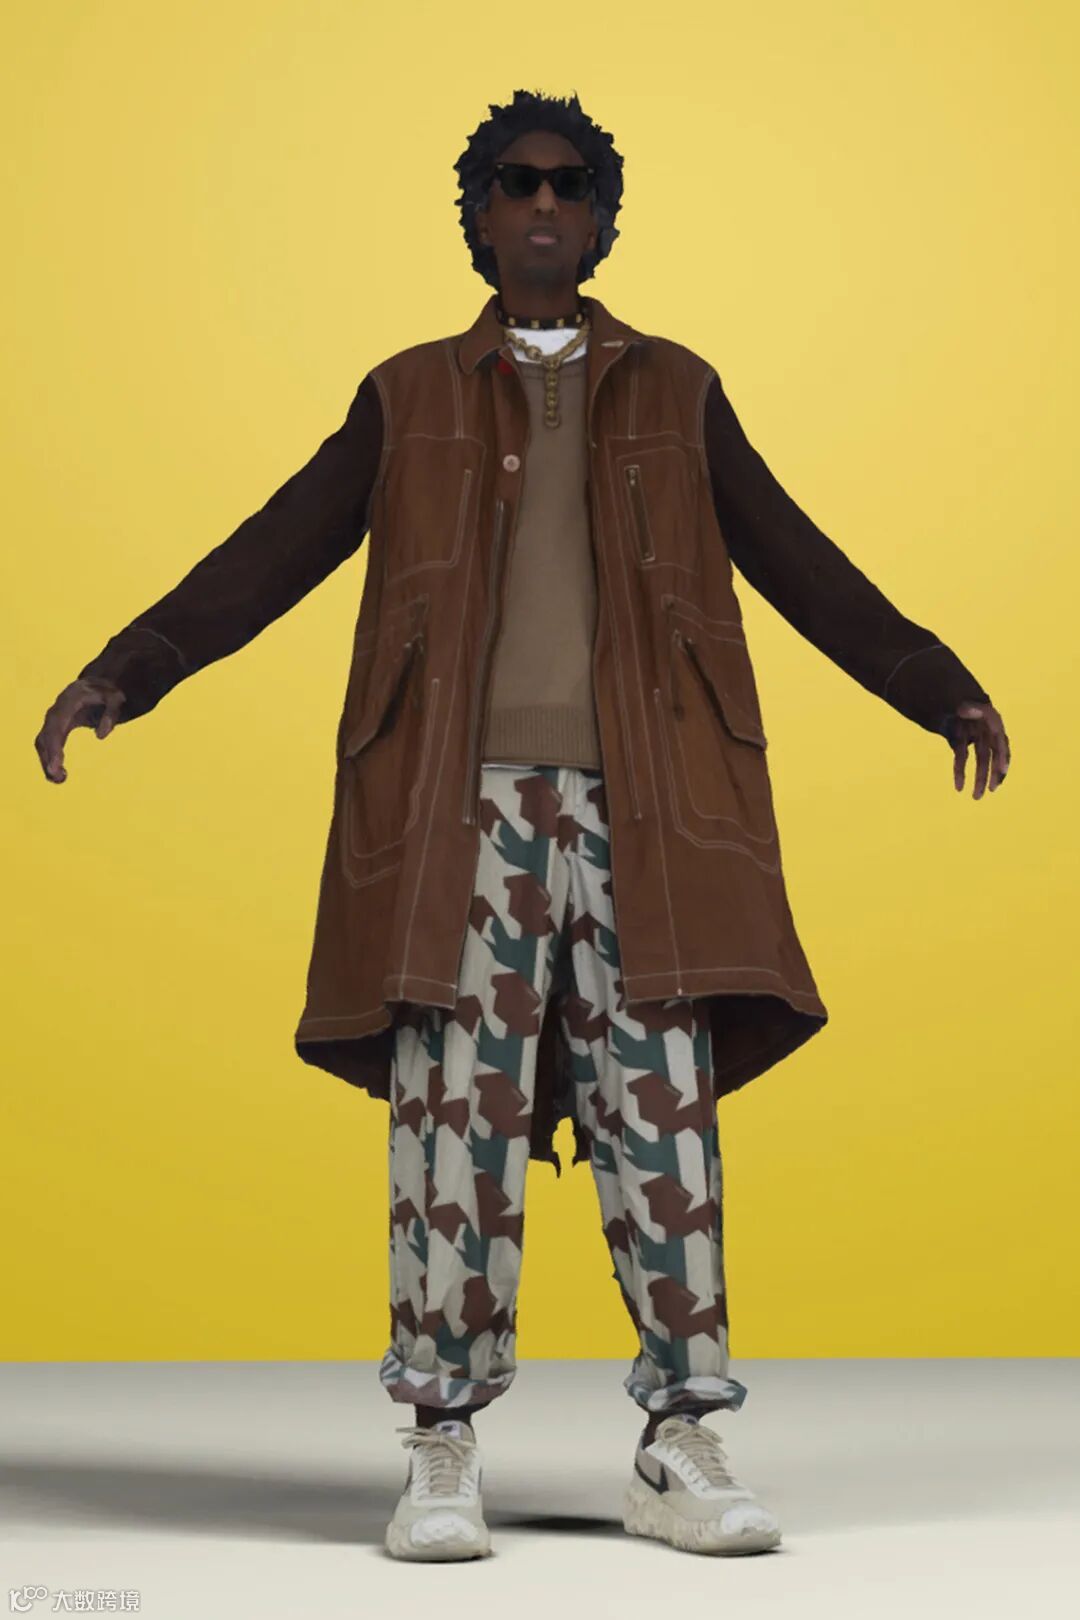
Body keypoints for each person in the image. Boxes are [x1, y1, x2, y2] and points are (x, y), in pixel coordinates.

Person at [36, 89, 1009, 1564]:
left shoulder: (678, 390)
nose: (544, 204)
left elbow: (797, 555)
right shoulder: (408, 394)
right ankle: (439, 1445)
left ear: (602, 218)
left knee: (661, 1113)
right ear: (479, 216)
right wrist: (130, 670)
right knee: (454, 1121)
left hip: (650, 814)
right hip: (457, 818)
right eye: (515, 181)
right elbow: (275, 547)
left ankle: (682, 1440)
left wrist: (932, 683)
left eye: (570, 184)